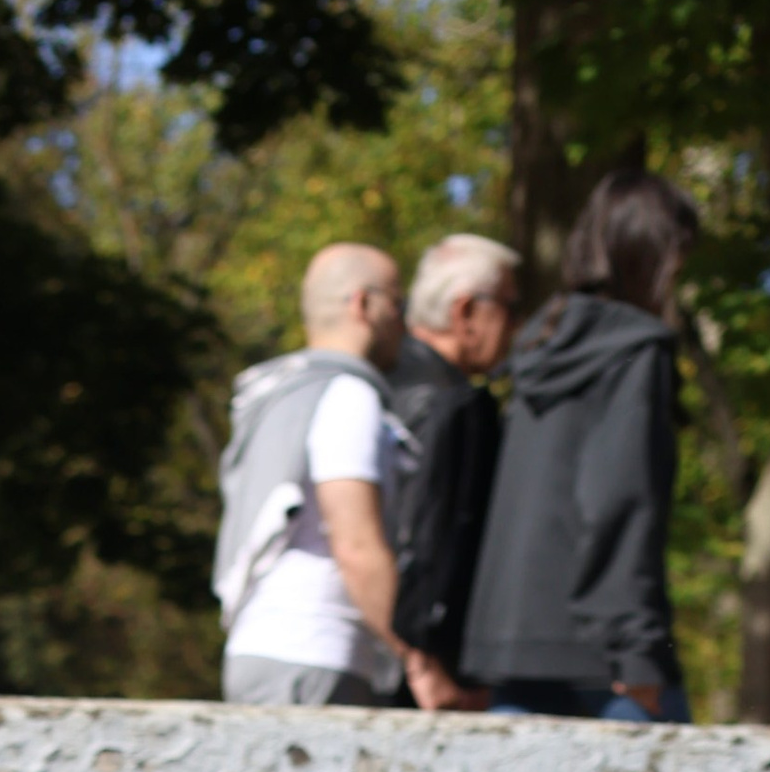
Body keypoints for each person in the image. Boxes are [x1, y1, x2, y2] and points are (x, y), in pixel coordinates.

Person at [461, 169, 699, 722]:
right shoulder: (635, 350)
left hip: (512, 648)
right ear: (656, 256)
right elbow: (620, 500)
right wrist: (639, 651)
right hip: (605, 661)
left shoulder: (536, 344)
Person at [217, 244, 446, 711]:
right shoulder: (346, 397)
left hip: (265, 648)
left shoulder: (279, 392)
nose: (404, 323)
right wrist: (418, 662)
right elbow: (356, 544)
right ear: (363, 304)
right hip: (314, 653)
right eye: (397, 304)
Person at [388, 233, 517, 711]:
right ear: (465, 312)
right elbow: (427, 541)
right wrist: (428, 659)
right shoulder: (453, 404)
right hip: (424, 677)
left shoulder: (373, 381)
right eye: (510, 307)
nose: (517, 325)